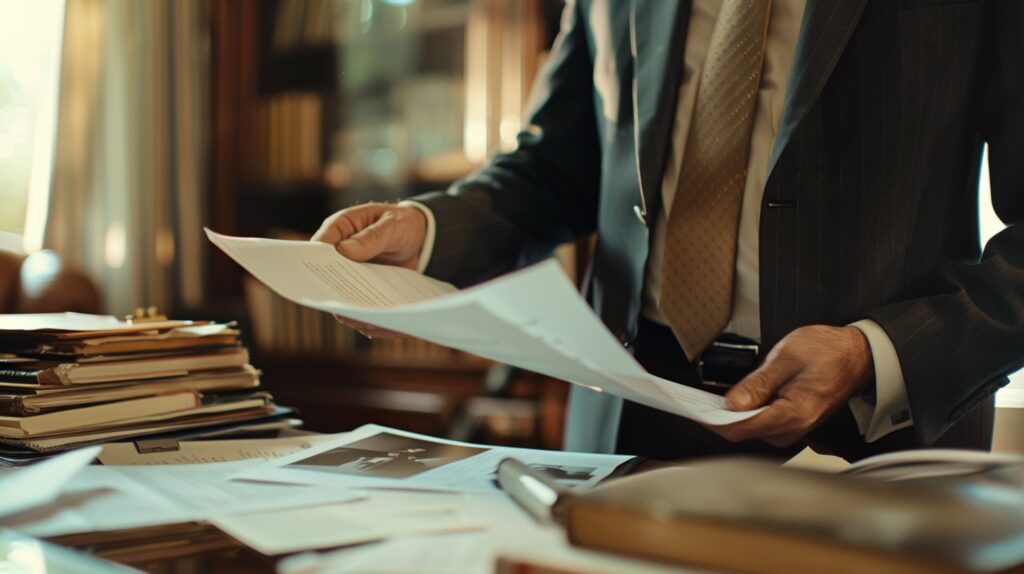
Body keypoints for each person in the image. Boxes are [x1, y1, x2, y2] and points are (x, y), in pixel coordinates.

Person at [313, 0, 1024, 461]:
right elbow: (558, 167)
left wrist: (876, 356)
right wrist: (429, 229)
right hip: (627, 424)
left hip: (869, 446)